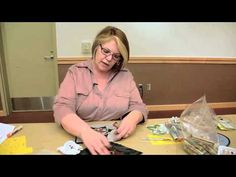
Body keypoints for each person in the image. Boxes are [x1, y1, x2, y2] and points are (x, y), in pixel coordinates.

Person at [53, 26, 148, 155]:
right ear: (97, 46)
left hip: (119, 143)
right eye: (106, 51)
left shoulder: (125, 75)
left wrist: (133, 117)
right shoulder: (75, 72)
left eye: (116, 56)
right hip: (80, 140)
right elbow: (62, 108)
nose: (109, 59)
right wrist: (84, 131)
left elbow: (139, 106)